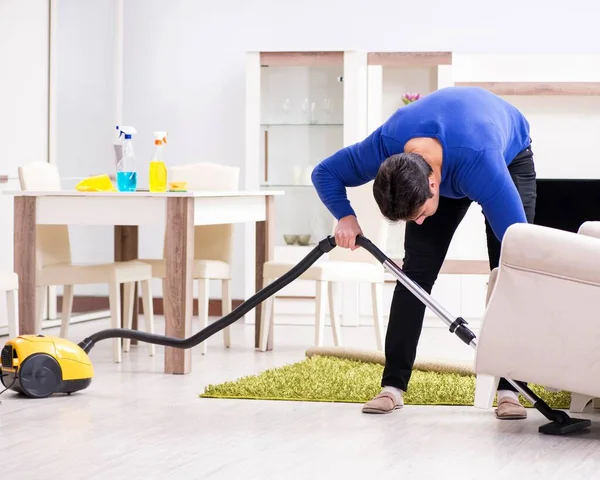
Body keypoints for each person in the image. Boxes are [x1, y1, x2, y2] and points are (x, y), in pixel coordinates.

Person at [311, 86, 536, 420]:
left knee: (510, 274)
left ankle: (509, 390)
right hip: (449, 153)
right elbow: (325, 172)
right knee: (414, 274)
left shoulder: (482, 164)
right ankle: (393, 387)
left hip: (505, 152)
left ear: (433, 186)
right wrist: (345, 216)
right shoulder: (386, 145)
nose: (415, 222)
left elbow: (522, 249)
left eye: (417, 213)